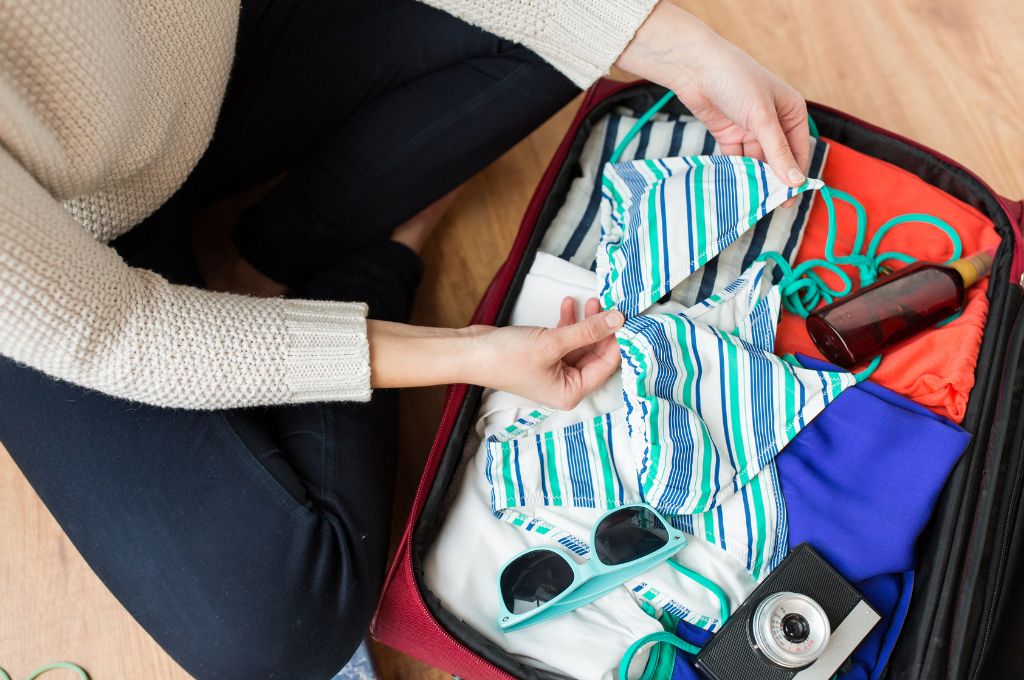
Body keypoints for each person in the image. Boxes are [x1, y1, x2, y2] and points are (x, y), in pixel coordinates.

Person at [0, 1, 811, 677]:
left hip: (200, 67)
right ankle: (359, 264)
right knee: (278, 629)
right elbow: (122, 332)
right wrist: (465, 350)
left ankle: (283, 254)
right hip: (60, 281)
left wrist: (682, 46)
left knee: (578, 23)